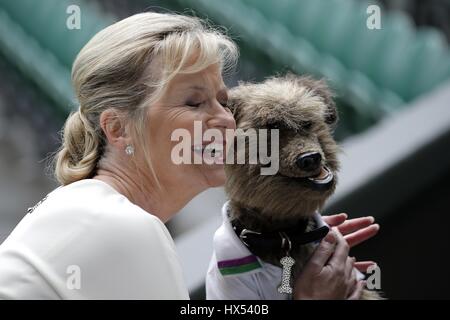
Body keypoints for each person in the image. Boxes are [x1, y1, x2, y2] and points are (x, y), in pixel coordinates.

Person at [0, 12, 379, 299]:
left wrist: (279, 259)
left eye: (223, 100)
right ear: (118, 129)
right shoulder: (127, 229)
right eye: (194, 101)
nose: (223, 119)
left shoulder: (96, 209)